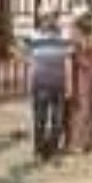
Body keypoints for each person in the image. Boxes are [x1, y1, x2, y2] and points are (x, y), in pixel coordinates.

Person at [20, 9, 73, 163]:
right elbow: (24, 55)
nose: (49, 20)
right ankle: (38, 151)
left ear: (56, 19)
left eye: (53, 17)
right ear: (41, 19)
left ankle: (54, 151)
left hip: (59, 84)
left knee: (57, 121)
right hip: (40, 84)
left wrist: (69, 85)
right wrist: (30, 78)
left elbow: (68, 61)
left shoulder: (64, 36)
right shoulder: (33, 36)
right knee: (40, 120)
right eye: (46, 17)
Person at [66, 8, 92, 154]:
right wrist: (90, 66)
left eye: (90, 17)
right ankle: (76, 142)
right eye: (86, 17)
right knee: (81, 108)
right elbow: (75, 56)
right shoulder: (74, 34)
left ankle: (87, 139)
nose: (89, 20)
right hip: (79, 76)